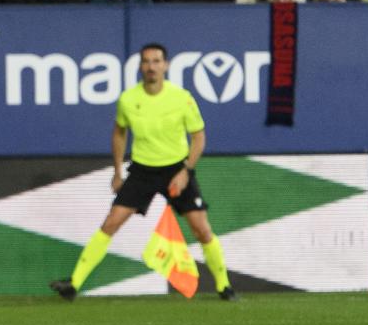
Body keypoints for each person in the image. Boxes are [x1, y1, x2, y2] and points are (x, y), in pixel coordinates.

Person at [50, 42, 237, 302]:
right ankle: (74, 284)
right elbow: (119, 132)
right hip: (143, 171)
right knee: (111, 222)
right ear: (140, 66)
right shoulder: (128, 99)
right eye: (146, 62)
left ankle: (224, 287)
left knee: (202, 230)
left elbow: (199, 138)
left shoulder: (181, 98)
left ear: (166, 65)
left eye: (157, 61)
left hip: (176, 169)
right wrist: (117, 171)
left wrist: (185, 172)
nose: (151, 67)